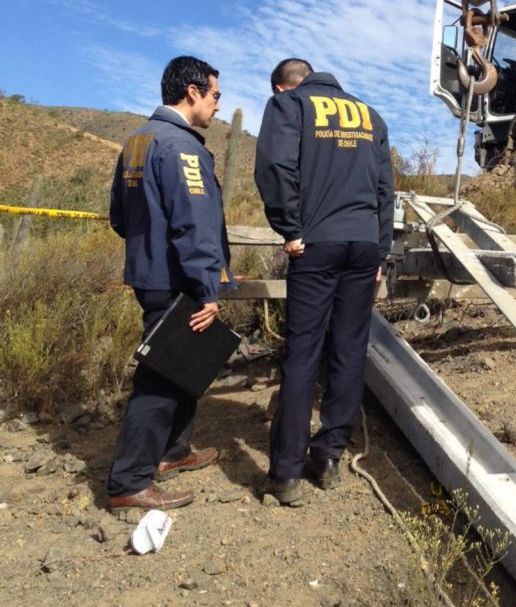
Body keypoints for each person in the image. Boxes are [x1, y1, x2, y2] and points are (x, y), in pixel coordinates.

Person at [255, 58, 394, 504]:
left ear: (283, 85)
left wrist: (289, 228)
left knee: (303, 351)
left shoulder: (289, 107)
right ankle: (330, 453)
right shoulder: (369, 115)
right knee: (350, 350)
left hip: (316, 244)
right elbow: (384, 189)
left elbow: (275, 167)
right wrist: (381, 248)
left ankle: (286, 473)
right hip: (363, 245)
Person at [107, 56, 233, 512]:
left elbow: (119, 218)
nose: (219, 106)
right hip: (178, 279)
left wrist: (149, 251)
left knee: (187, 366)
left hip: (150, 274)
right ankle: (129, 481)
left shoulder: (136, 141)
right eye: (216, 95)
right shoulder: (182, 147)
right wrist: (207, 289)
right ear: (193, 92)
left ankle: (172, 453)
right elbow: (194, 228)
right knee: (161, 379)